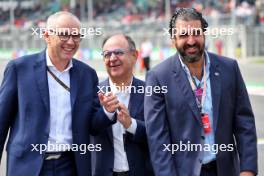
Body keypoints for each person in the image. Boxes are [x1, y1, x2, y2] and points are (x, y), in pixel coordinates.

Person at [0, 11, 119, 176]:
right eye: (64, 35)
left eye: (76, 36)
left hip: (71, 165)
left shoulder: (87, 74)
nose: (71, 41)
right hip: (27, 166)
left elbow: (92, 125)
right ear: (47, 36)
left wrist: (107, 111)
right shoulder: (19, 69)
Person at [144, 8, 258, 176]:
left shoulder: (229, 68)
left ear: (204, 34)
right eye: (183, 35)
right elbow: (157, 139)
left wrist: (248, 170)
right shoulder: (157, 77)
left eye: (196, 33)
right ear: (173, 39)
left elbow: (244, 123)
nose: (191, 41)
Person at [91, 34, 153, 176]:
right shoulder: (93, 92)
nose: (112, 58)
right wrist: (106, 113)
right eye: (107, 54)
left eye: (118, 52)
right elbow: (89, 128)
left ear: (134, 55)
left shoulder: (151, 92)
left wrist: (131, 124)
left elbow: (157, 134)